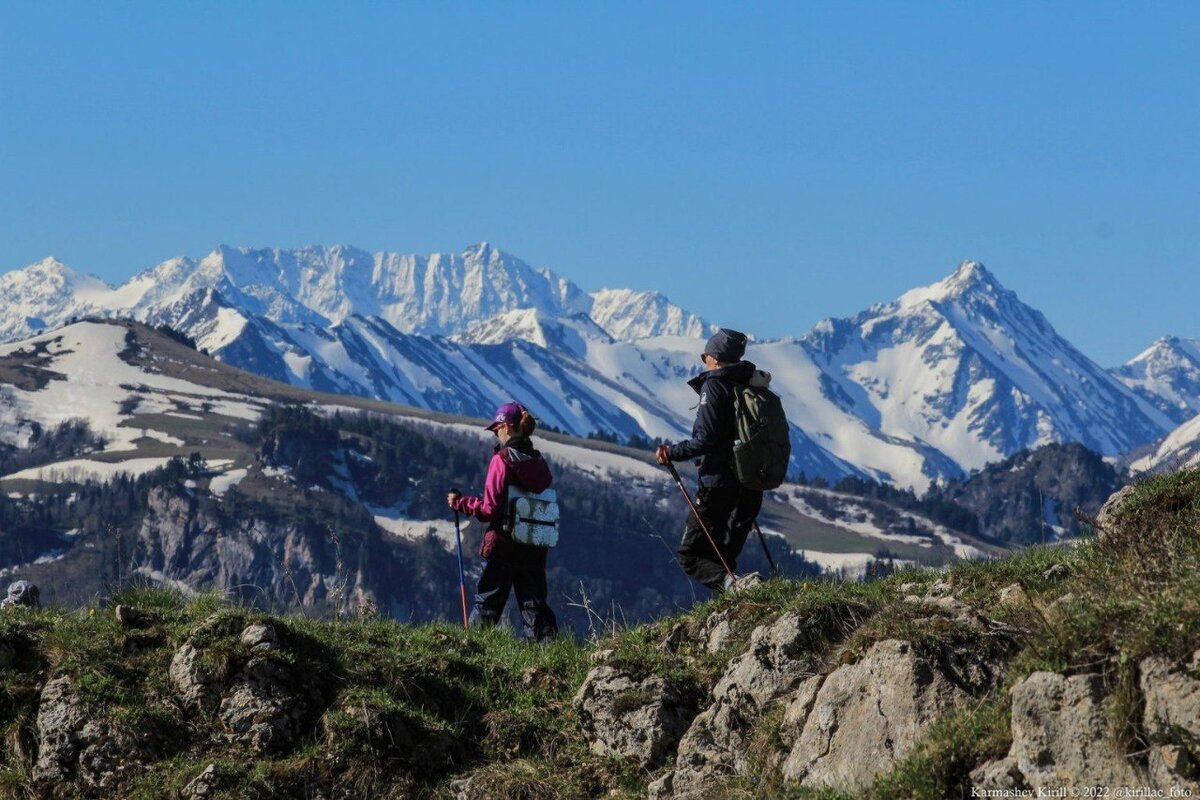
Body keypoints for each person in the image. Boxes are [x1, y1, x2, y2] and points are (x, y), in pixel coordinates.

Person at [656, 328, 763, 594]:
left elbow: (706, 439)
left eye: (705, 355)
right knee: (723, 554)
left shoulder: (714, 386)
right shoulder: (749, 383)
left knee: (690, 555)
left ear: (714, 358)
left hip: (719, 483)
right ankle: (738, 600)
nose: (704, 360)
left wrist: (672, 453)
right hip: (750, 481)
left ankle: (735, 588)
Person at [447, 401, 558, 641]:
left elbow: (490, 509)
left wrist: (461, 503)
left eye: (497, 428)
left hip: (505, 543)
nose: (496, 433)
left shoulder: (502, 460)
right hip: (534, 544)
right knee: (534, 605)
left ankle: (471, 649)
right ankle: (548, 654)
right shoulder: (538, 463)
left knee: (488, 602)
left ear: (507, 427)